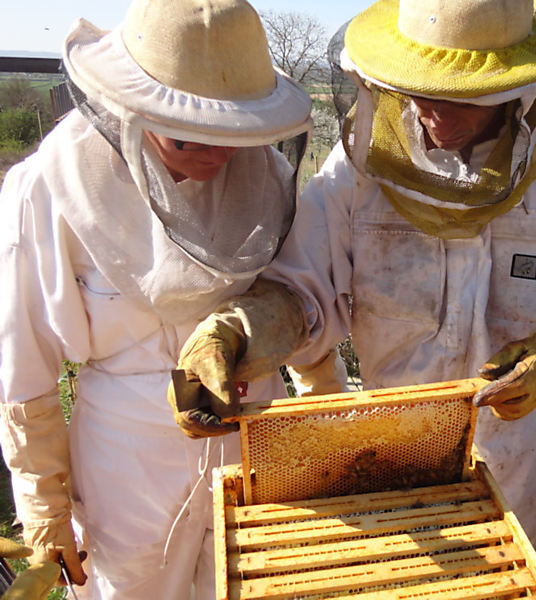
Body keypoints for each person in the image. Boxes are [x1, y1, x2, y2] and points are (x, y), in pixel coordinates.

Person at [178, 0, 536, 571]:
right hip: (388, 451)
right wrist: (237, 332)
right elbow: (301, 291)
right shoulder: (360, 166)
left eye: (461, 97)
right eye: (419, 90)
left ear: (514, 85)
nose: (435, 113)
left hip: (516, 457)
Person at [0, 0, 335, 597]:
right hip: (126, 464)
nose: (218, 154)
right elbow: (23, 365)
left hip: (255, 430)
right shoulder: (47, 189)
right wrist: (43, 501)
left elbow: (303, 304)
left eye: (232, 134)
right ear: (133, 110)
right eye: (190, 138)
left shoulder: (265, 178)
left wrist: (325, 419)